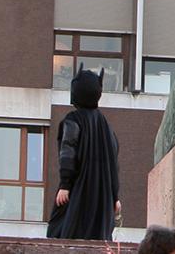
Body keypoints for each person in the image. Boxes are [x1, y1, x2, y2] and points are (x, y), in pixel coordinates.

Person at [47, 68, 121, 240]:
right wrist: (114, 196)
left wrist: (65, 184)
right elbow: (114, 164)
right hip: (102, 195)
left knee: (62, 231)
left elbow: (68, 152)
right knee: (97, 237)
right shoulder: (107, 127)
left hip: (79, 191)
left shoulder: (73, 120)